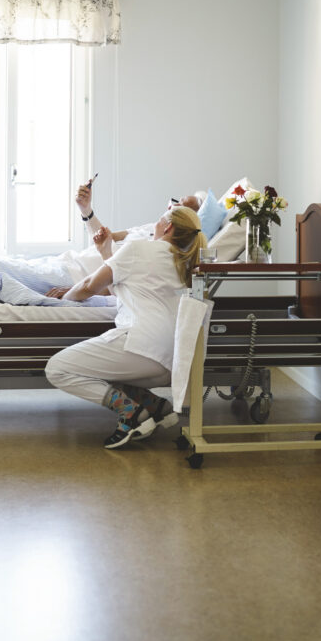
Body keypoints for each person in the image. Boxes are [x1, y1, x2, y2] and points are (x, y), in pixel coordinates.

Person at [44, 205, 208, 449]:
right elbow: (122, 286)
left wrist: (64, 298)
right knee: (106, 371)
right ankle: (157, 407)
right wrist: (105, 252)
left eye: (158, 219)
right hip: (172, 359)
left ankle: (132, 414)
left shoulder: (139, 248)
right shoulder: (183, 260)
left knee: (56, 368)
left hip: (142, 346)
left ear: (168, 227)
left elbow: (90, 285)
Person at [44, 180, 201, 298]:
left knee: (19, 276)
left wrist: (70, 293)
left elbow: (111, 285)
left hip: (78, 276)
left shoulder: (150, 252)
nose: (170, 206)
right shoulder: (149, 229)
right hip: (72, 261)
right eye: (175, 201)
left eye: (179, 206)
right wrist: (86, 210)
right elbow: (105, 237)